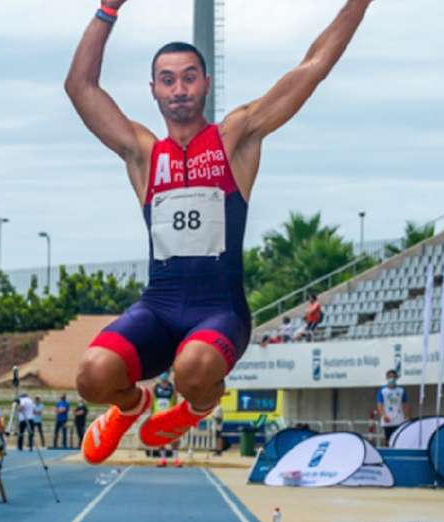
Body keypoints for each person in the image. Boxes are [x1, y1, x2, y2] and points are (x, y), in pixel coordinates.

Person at [67, 0, 376, 464]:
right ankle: (133, 406)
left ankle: (200, 405)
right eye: (167, 79)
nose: (179, 89)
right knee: (91, 375)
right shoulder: (144, 155)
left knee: (193, 367)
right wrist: (108, 9)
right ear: (152, 89)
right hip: (159, 307)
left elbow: (314, 66)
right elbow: (80, 86)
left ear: (206, 84)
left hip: (219, 310)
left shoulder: (237, 138)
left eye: (189, 76)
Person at [152, 372, 181, 467]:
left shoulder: (172, 387)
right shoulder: (155, 387)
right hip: (158, 416)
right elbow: (152, 401)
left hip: (169, 416)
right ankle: (162, 459)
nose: (164, 376)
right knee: (160, 438)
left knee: (174, 438)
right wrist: (151, 415)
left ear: (168, 375)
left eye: (166, 374)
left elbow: (176, 400)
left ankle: (176, 459)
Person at [376, 369, 409, 445]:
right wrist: (384, 415)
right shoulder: (382, 390)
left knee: (398, 439)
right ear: (387, 378)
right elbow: (379, 405)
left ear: (396, 378)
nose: (392, 379)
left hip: (399, 419)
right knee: (388, 439)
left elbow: (405, 404)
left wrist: (407, 416)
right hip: (387, 420)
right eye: (390, 377)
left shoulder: (401, 390)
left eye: (393, 377)